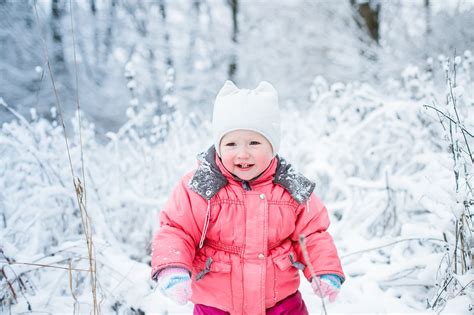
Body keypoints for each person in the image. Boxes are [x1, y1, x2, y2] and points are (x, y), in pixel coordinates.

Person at [150, 80, 345, 315]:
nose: (243, 153)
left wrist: (324, 270)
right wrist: (172, 268)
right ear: (219, 146)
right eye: (231, 143)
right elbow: (176, 229)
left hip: (281, 303)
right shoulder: (202, 186)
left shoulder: (291, 186)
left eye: (254, 142)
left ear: (272, 145)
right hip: (217, 304)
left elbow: (313, 234)